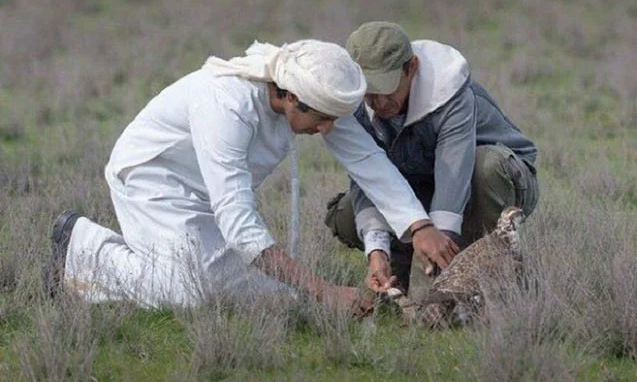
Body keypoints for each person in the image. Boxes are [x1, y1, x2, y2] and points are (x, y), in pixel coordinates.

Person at [45, 39, 439, 312]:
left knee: (269, 294)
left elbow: (368, 160)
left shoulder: (314, 89)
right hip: (152, 179)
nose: (325, 130)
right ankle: (82, 245)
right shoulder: (226, 105)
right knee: (187, 295)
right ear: (289, 97)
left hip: (207, 196)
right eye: (319, 120)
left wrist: (418, 225)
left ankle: (153, 262)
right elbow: (239, 224)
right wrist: (324, 291)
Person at [325, 22, 539, 293]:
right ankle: (400, 266)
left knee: (487, 166)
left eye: (387, 89)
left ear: (412, 68)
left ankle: (477, 269)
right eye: (369, 91)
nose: (378, 103)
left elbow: (452, 183)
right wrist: (377, 250)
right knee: (348, 213)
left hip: (492, 183)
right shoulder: (355, 100)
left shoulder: (449, 92)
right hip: (424, 186)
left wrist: (427, 292)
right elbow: (367, 177)